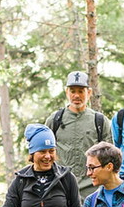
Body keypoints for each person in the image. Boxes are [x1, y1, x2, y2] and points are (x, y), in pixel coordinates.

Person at [46, 71, 111, 199]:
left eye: (81, 91)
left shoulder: (99, 121)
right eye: (73, 91)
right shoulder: (54, 120)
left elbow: (109, 159)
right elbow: (43, 154)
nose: (76, 95)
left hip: (92, 191)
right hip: (61, 188)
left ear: (89, 93)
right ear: (67, 92)